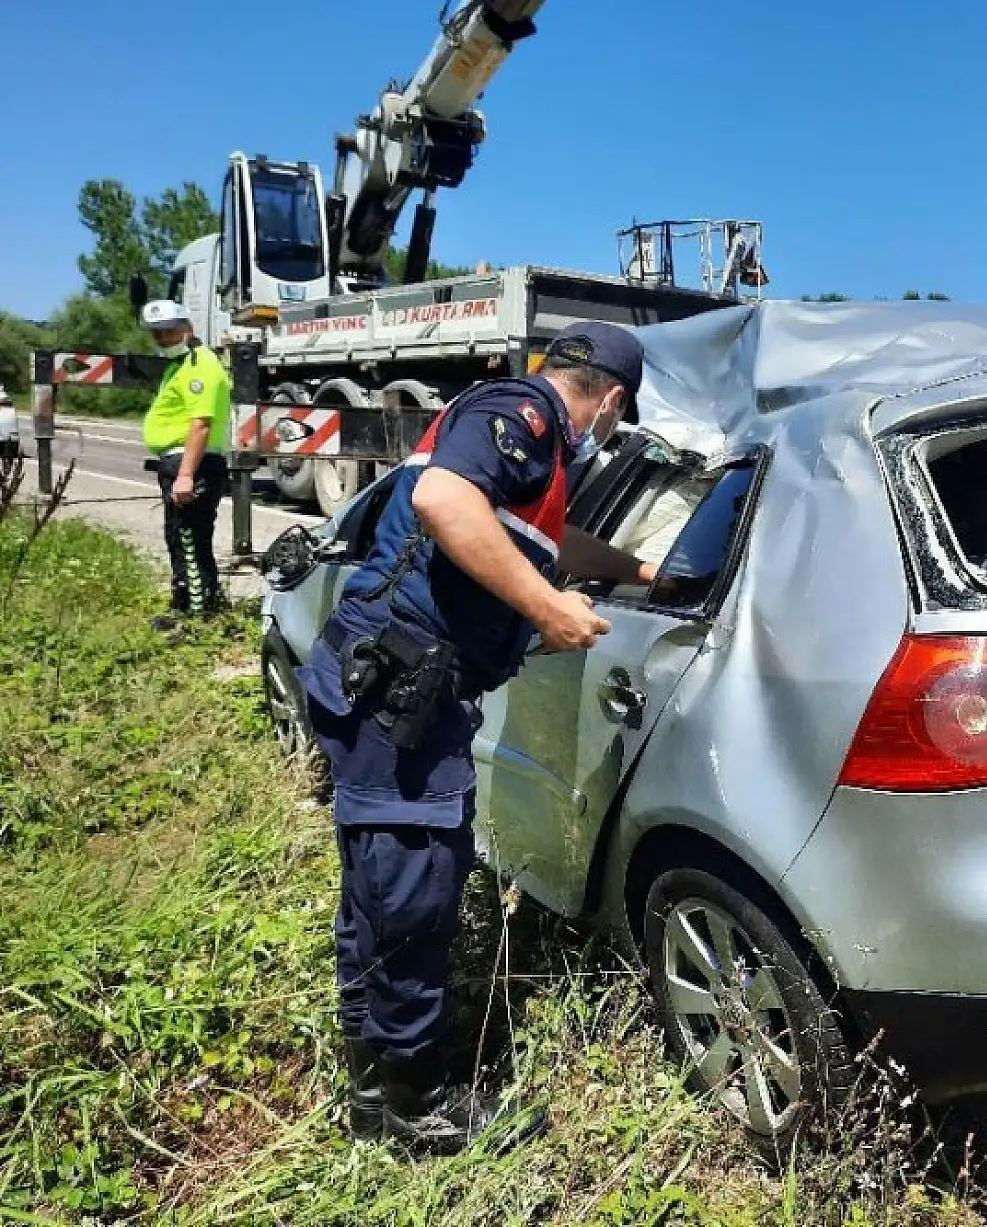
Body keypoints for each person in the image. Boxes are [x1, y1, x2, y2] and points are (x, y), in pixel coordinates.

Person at [295, 322, 658, 1154]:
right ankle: (417, 1109)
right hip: (401, 695)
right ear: (610, 396)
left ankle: (370, 1094)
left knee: (380, 888)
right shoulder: (520, 411)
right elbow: (443, 500)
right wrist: (548, 608)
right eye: (619, 413)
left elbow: (547, 542)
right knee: (414, 894)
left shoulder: (532, 457)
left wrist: (643, 574)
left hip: (390, 688)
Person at [139, 300, 232, 623]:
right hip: (179, 461)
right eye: (157, 334)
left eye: (168, 331)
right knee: (179, 536)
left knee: (189, 539)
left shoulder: (198, 365)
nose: (162, 338)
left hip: (193, 462)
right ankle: (186, 605)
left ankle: (199, 616)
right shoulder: (178, 365)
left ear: (186, 327)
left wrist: (185, 475)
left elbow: (200, 423)